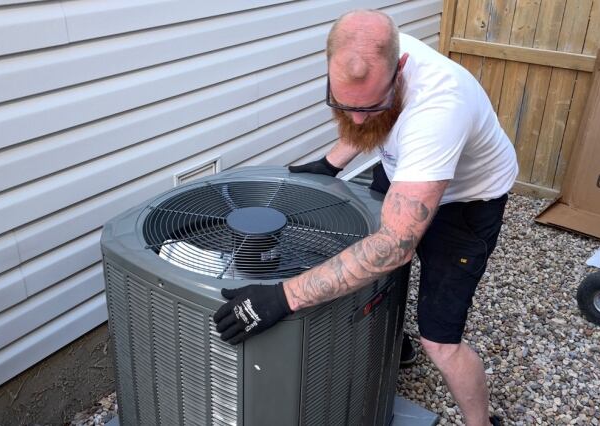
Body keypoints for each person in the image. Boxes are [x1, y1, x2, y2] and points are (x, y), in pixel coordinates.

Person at [213, 9, 517, 426]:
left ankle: (480, 422)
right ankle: (393, 339)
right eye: (343, 105)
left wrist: (283, 297)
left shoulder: (438, 112)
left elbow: (393, 247)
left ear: (400, 70)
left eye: (373, 106)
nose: (356, 119)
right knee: (376, 268)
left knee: (440, 340)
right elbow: (362, 115)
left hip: (466, 201)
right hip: (404, 171)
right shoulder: (370, 56)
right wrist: (330, 163)